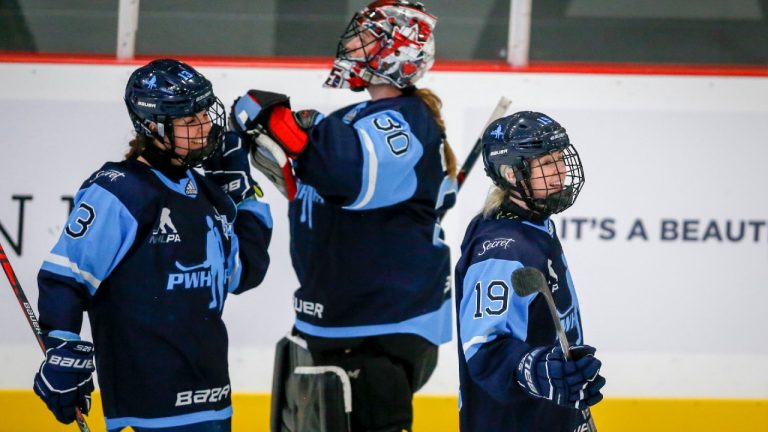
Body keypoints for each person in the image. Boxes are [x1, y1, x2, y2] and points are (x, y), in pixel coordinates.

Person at [230, 1, 455, 430]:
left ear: (397, 51)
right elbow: (318, 188)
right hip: (337, 318)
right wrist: (284, 148)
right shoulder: (351, 118)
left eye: (365, 36)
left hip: (381, 325)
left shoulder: (405, 121)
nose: (350, 42)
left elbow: (349, 176)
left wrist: (287, 125)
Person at [32, 59, 273, 432]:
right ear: (153, 127)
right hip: (145, 407)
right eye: (190, 122)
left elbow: (244, 273)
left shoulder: (210, 195)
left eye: (204, 115)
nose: (206, 128)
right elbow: (66, 278)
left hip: (211, 401)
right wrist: (61, 348)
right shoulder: (120, 191)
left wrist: (246, 197)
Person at [454, 111, 606, 431]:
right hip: (511, 422)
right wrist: (542, 372)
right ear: (512, 174)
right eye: (546, 164)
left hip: (547, 414)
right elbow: (485, 349)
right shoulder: (503, 248)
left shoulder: (533, 224)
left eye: (559, 159)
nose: (560, 172)